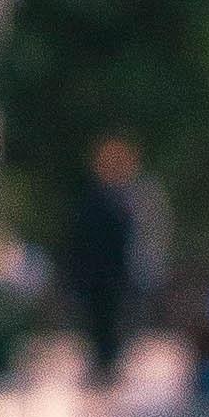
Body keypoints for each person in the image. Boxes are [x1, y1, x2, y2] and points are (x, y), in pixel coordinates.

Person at [62, 135, 158, 381]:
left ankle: (109, 369)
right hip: (98, 277)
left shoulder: (133, 198)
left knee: (114, 328)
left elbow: (142, 241)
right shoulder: (95, 199)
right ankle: (104, 369)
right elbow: (80, 242)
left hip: (116, 277)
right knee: (99, 329)